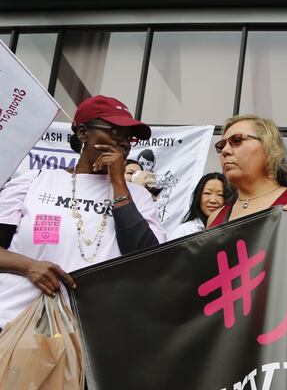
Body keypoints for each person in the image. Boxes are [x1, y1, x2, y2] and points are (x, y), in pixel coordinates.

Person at [0, 95, 166, 329]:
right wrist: (29, 266)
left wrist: (119, 182)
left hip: (90, 336)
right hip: (14, 325)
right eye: (115, 131)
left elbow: (147, 260)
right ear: (83, 133)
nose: (124, 142)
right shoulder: (33, 182)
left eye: (130, 137)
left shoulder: (137, 198)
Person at [207, 115, 287, 227]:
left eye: (237, 140)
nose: (225, 151)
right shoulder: (214, 218)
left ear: (269, 147)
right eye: (221, 145)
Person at [170, 173, 234, 239]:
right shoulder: (184, 231)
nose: (213, 200)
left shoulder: (232, 230)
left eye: (220, 195)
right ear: (198, 196)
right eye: (207, 193)